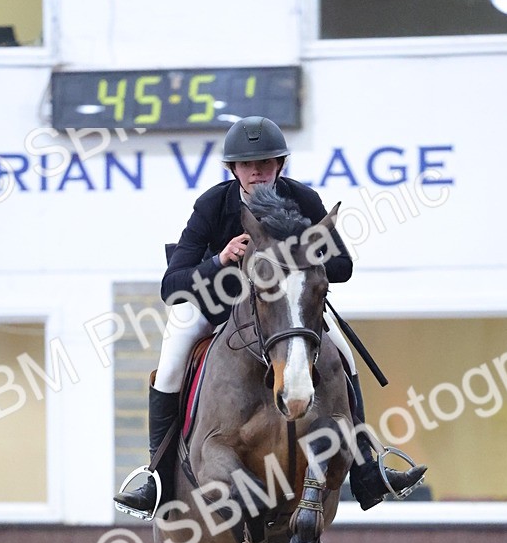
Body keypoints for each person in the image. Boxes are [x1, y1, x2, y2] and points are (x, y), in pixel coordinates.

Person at [114, 115, 425, 517]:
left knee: (344, 355)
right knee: (171, 364)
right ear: (234, 170)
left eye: (265, 162)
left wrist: (307, 253)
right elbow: (171, 285)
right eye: (246, 164)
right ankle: (156, 478)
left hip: (285, 312)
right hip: (218, 308)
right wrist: (218, 260)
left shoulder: (304, 199)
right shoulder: (213, 204)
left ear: (280, 165)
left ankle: (366, 468)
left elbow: (343, 267)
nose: (256, 171)